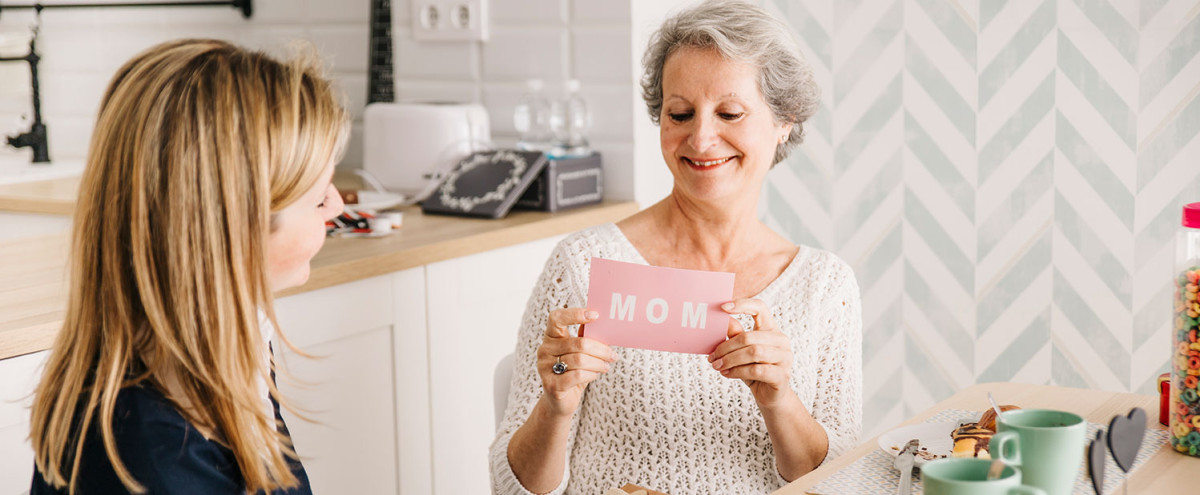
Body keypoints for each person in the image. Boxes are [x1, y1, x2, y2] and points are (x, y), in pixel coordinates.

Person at [490, 1, 863, 493]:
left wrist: (779, 400)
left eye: (729, 112)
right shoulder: (583, 264)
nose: (701, 138)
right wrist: (555, 405)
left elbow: (841, 482)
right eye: (680, 113)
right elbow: (511, 486)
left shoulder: (824, 286)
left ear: (784, 121)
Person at [28, 39, 349, 494]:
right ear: (233, 233)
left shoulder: (231, 347)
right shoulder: (149, 461)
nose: (335, 205)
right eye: (318, 197)